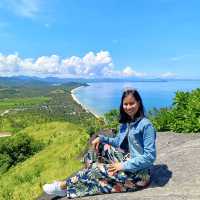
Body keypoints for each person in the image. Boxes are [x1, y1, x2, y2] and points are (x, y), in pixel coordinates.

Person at [43, 88, 157, 198]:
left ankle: (63, 186)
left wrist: (122, 166)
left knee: (95, 170)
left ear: (138, 103)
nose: (128, 107)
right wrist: (102, 138)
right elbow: (118, 142)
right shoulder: (126, 122)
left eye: (131, 103)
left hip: (138, 175)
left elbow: (150, 157)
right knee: (99, 146)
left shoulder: (146, 125)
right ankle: (92, 172)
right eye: (125, 104)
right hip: (127, 160)